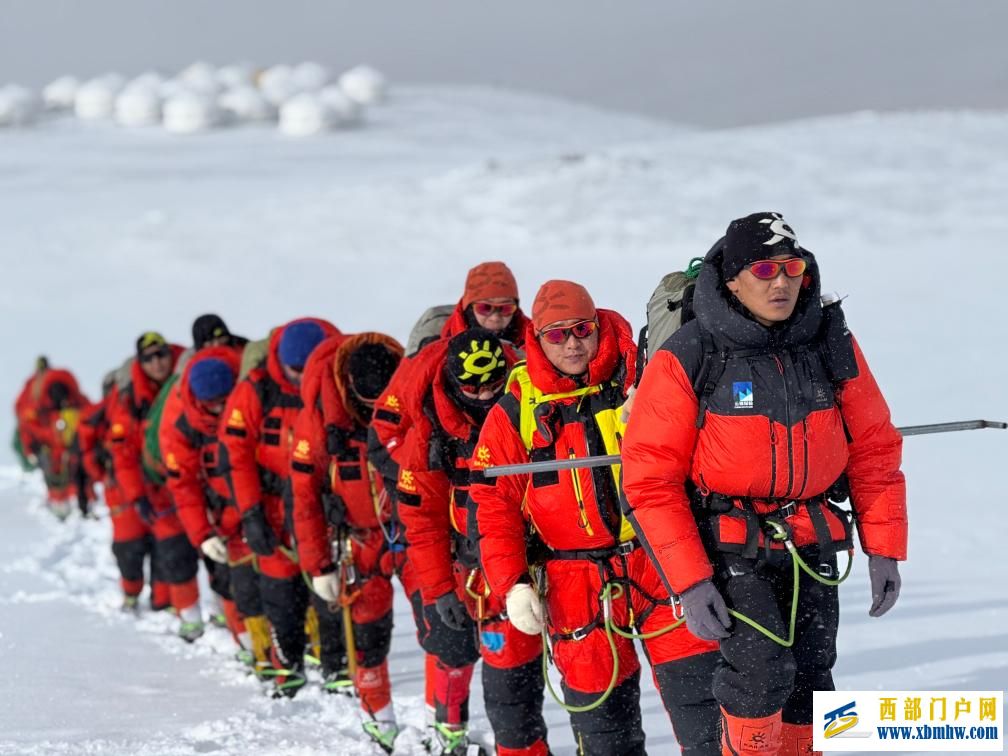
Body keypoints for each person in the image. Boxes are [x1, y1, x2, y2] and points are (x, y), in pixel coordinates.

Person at [621, 212, 907, 756]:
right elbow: (650, 479)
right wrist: (690, 581)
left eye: (791, 267)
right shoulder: (691, 354)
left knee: (812, 678)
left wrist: (884, 549)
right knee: (758, 674)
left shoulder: (830, 342)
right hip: (729, 541)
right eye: (765, 269)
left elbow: (874, 446)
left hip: (813, 536)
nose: (781, 282)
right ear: (731, 279)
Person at [471, 281, 722, 756]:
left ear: (597, 325)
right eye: (557, 335)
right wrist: (512, 583)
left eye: (582, 330)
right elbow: (492, 503)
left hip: (661, 564)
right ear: (538, 338)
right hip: (575, 586)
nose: (572, 343)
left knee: (706, 715)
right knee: (605, 734)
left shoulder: (641, 375)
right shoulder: (515, 410)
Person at [398, 328, 546, 756]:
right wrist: (439, 588)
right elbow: (420, 518)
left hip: (537, 563)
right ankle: (448, 729)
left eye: (492, 385)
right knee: (464, 656)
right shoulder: (431, 432)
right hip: (473, 574)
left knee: (532, 688)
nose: (483, 396)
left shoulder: (526, 408)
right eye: (472, 388)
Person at [290, 332, 405, 750]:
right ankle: (380, 717)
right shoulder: (319, 417)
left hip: (410, 532)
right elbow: (304, 498)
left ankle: (445, 721)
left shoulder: (407, 389)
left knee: (442, 633)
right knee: (370, 633)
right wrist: (318, 565)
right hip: (356, 540)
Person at [221, 317, 341, 697]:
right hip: (273, 505)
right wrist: (250, 513)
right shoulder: (255, 391)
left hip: (323, 503)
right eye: (295, 370)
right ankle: (286, 662)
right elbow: (236, 456)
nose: (303, 377)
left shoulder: (337, 382)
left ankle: (336, 662)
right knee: (280, 588)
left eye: (309, 369)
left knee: (332, 584)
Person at [160, 345, 272, 663]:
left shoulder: (254, 400)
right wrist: (203, 535)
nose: (221, 409)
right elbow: (183, 486)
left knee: (280, 582)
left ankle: (289, 648)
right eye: (214, 405)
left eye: (226, 401)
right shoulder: (183, 429)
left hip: (265, 509)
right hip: (223, 521)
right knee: (237, 587)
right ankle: (253, 649)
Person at [371, 261, 530, 466]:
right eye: (485, 308)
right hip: (450, 475)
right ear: (468, 307)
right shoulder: (431, 352)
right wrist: (423, 466)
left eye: (505, 308)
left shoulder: (537, 344)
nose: (495, 317)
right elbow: (386, 428)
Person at [107, 332, 203, 635]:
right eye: (149, 358)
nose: (157, 362)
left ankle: (177, 607)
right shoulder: (130, 400)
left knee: (201, 550)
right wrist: (136, 495)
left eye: (160, 354)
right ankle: (165, 606)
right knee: (149, 548)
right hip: (156, 489)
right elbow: (123, 454)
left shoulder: (188, 381)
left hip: (192, 480)